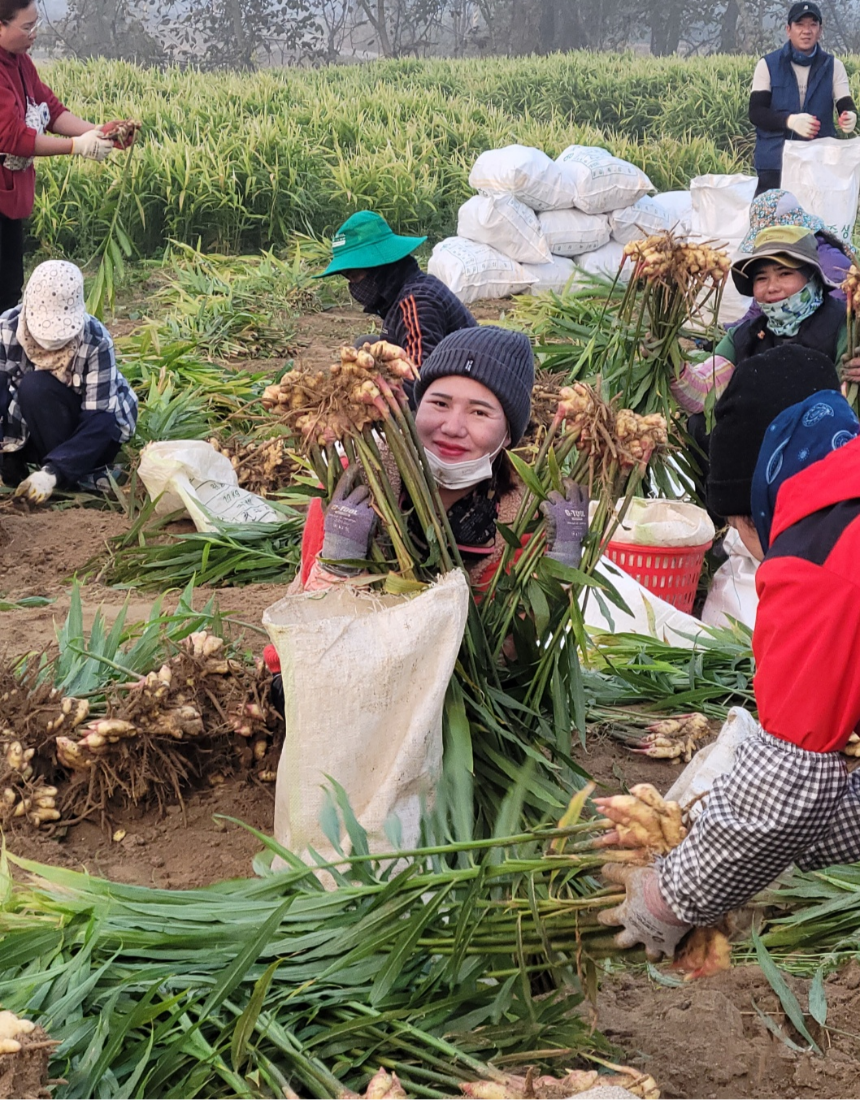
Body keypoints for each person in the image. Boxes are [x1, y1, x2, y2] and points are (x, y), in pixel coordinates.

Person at [597, 355, 860, 962]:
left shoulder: (819, 559)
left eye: (735, 524)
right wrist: (810, 842)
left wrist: (666, 899)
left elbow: (791, 777)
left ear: (757, 499)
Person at [295, 326, 589, 594]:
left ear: (509, 435)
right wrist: (337, 566)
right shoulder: (354, 484)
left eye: (479, 413)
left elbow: (513, 643)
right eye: (439, 403)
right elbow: (308, 630)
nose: (451, 427)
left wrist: (561, 568)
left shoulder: (526, 514)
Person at [671, 226, 848, 482]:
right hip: (760, 453)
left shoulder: (844, 325)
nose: (771, 287)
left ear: (811, 276)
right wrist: (671, 363)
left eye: (784, 273)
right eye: (761, 278)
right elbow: (703, 392)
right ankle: (725, 516)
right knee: (701, 425)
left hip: (824, 451)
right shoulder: (746, 335)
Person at [0, 0, 135, 312]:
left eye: (36, 24)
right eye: (27, 26)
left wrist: (101, 132)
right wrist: (76, 146)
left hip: (10, 196)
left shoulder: (20, 62)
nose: (34, 33)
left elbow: (52, 111)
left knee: (8, 289)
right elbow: (13, 137)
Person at [0, 260, 138, 502]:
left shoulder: (96, 341)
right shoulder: (6, 329)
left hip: (92, 434)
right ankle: (46, 465)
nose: (49, 344)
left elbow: (100, 419)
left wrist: (52, 473)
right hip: (37, 424)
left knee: (34, 387)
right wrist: (9, 455)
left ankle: (68, 475)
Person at [316, 211, 477, 369]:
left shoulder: (417, 301)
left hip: (467, 380)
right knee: (365, 345)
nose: (353, 285)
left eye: (355, 275)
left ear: (380, 267)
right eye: (348, 278)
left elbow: (419, 377)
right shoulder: (402, 292)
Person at [749, 1, 857, 197]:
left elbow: (845, 104)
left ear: (820, 30)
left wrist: (850, 116)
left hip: (818, 163)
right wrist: (789, 121)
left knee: (817, 225)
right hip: (774, 164)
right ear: (788, 30)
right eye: (800, 25)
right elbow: (756, 112)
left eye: (812, 24)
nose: (806, 31)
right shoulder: (767, 64)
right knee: (772, 226)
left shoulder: (834, 66)